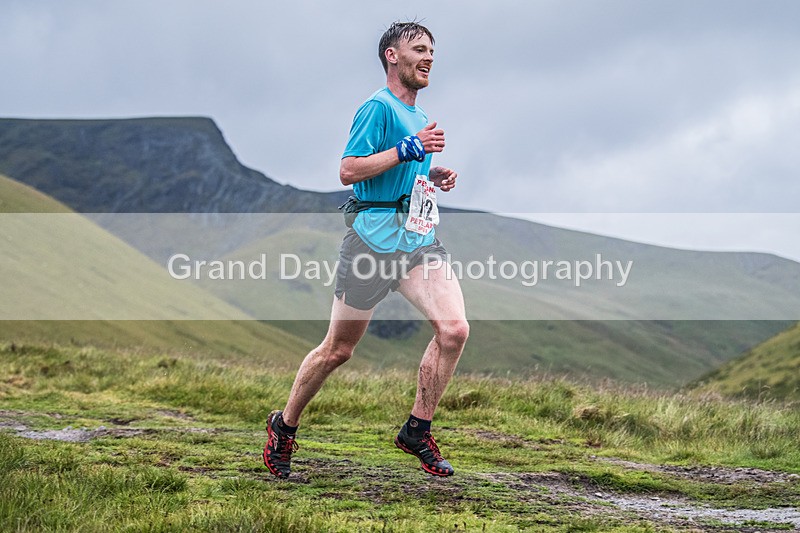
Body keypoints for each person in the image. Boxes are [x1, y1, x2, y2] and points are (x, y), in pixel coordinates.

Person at [263, 21, 469, 479]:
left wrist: (430, 177)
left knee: (454, 330)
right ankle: (284, 425)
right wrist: (408, 149)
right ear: (392, 56)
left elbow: (399, 174)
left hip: (416, 241)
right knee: (337, 351)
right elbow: (350, 170)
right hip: (371, 243)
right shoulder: (377, 108)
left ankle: (417, 429)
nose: (429, 56)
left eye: (433, 50)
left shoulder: (420, 116)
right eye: (419, 48)